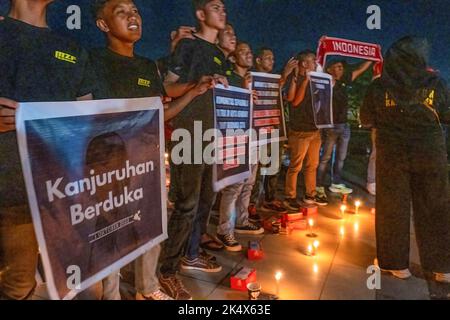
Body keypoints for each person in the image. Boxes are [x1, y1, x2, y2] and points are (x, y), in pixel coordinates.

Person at [89, 0, 212, 300]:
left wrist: (194, 92)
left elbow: (158, 114)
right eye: (121, 12)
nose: (133, 17)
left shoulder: (147, 67)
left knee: (152, 228)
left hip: (147, 163)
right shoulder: (91, 61)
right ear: (103, 24)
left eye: (135, 11)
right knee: (111, 232)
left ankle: (148, 288)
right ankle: (111, 293)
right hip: (109, 167)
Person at [0, 0, 95, 300]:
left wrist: (36, 118)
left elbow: (89, 118)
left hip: (33, 194)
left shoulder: (73, 49)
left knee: (18, 285)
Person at [360, 36, 450, 286]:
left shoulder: (379, 86)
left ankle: (395, 264)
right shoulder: (436, 83)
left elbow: (366, 118)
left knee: (392, 207)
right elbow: (447, 114)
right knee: (436, 207)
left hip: (392, 152)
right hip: (430, 151)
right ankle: (441, 267)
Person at [158, 0, 229, 300]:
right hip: (188, 137)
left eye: (224, 8)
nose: (222, 12)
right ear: (201, 15)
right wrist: (196, 86)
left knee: (203, 204)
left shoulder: (217, 54)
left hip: (212, 139)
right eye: (215, 7)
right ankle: (166, 272)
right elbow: (167, 88)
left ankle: (191, 253)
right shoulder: (188, 47)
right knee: (186, 207)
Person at [216, 41, 264, 252]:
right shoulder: (229, 79)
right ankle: (224, 229)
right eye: (243, 52)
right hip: (234, 138)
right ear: (234, 58)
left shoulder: (254, 79)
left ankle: (242, 220)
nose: (248, 54)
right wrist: (244, 92)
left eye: (250, 51)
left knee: (249, 184)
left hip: (254, 136)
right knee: (233, 186)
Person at [248, 48, 297, 216]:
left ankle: (269, 199)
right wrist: (285, 73)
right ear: (258, 61)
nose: (272, 61)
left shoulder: (276, 79)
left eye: (273, 58)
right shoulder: (250, 78)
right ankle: (251, 204)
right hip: (258, 131)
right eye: (267, 58)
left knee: (273, 167)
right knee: (258, 171)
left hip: (275, 128)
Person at [316, 59, 372, 199]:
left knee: (341, 157)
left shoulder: (344, 82)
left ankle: (336, 182)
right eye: (338, 67)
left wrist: (371, 58)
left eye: (342, 67)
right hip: (331, 126)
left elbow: (359, 70)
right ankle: (318, 185)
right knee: (325, 157)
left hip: (344, 125)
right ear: (329, 70)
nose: (341, 69)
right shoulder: (326, 83)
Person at [283, 50, 328, 211]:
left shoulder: (315, 80)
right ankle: (290, 196)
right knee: (296, 166)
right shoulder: (294, 79)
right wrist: (305, 81)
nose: (316, 63)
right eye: (313, 61)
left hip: (314, 130)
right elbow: (294, 101)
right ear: (304, 64)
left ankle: (310, 194)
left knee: (312, 165)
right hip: (299, 130)